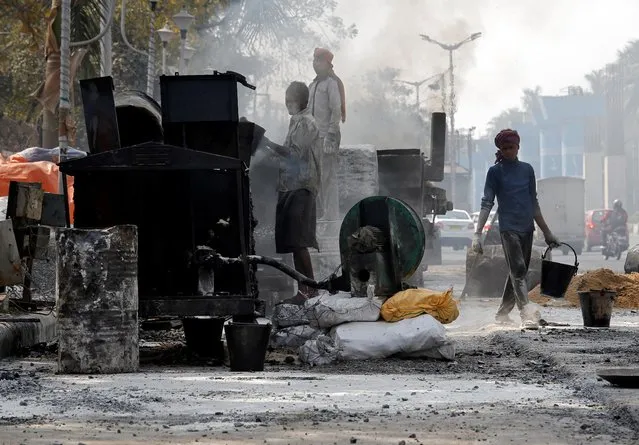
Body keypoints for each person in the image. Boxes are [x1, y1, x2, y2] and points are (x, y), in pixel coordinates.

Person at [472, 129, 561, 329]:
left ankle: (502, 314)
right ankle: (526, 314)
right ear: (499, 150)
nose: (507, 151)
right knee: (519, 270)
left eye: (510, 147)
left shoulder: (527, 170)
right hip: (508, 228)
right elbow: (487, 202)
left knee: (517, 271)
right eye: (503, 148)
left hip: (527, 228)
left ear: (518, 147)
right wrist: (477, 234)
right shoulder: (494, 172)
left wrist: (546, 231)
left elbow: (533, 202)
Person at [263, 81, 323, 306]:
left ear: (301, 101)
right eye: (286, 101)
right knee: (295, 243)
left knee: (299, 242)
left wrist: (268, 144)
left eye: (291, 101)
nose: (287, 105)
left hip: (302, 186)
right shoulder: (296, 121)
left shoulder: (306, 123)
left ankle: (310, 289)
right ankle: (305, 289)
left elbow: (295, 154)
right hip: (292, 185)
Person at [308, 47, 345, 221]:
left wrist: (331, 134)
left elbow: (336, 110)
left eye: (319, 60)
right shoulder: (314, 85)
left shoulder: (331, 83)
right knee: (318, 179)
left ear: (328, 63)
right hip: (315, 138)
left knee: (328, 179)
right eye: (314, 59)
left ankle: (331, 218)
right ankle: (323, 215)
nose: (315, 63)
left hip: (327, 137)